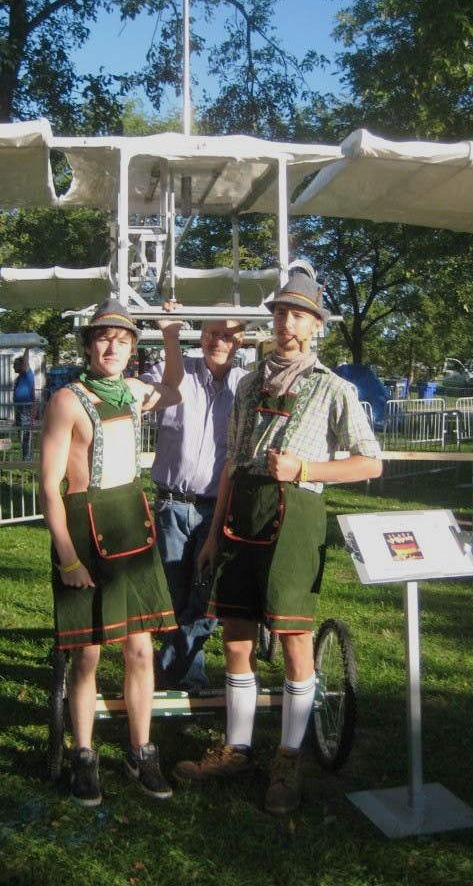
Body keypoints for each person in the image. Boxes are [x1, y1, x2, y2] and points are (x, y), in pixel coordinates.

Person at [173, 266, 383, 816]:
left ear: (315, 327)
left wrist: (305, 466)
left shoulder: (335, 388)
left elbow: (371, 462)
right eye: (280, 312)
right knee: (236, 636)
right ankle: (237, 749)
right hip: (240, 511)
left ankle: (288, 757)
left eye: (298, 315)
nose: (286, 323)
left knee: (292, 637)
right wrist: (215, 532)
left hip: (296, 515)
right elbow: (229, 462)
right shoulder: (247, 383)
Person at [39, 298, 184, 807]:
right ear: (88, 343)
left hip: (131, 527)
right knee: (87, 655)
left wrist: (170, 334)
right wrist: (67, 558)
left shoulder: (134, 391)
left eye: (123, 340)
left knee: (141, 650)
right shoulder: (66, 400)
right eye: (104, 337)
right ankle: (84, 754)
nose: (112, 346)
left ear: (131, 349)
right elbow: (50, 488)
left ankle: (142, 751)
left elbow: (173, 389)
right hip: (84, 531)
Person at [142, 316, 246, 691]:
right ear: (201, 336)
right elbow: (146, 395)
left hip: (217, 509)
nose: (219, 342)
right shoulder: (174, 371)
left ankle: (162, 671)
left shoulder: (245, 385)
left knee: (207, 599)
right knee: (176, 597)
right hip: (173, 504)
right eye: (212, 334)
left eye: (228, 335)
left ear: (241, 341)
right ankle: (191, 676)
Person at [13, 347, 35, 461]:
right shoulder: (20, 377)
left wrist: (27, 348)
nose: (13, 367)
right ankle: (25, 457)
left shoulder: (26, 373)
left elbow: (26, 360)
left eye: (15, 364)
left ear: (22, 365)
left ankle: (28, 459)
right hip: (20, 408)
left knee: (26, 433)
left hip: (25, 408)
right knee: (21, 433)